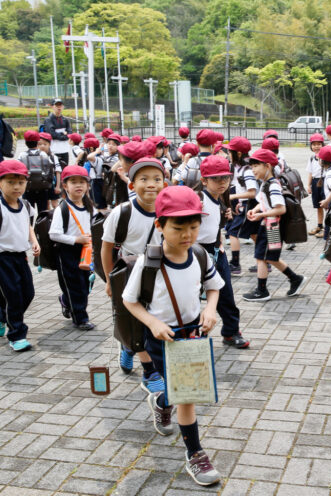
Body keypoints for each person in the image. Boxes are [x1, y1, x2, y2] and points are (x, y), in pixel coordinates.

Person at [122, 185, 224, 487]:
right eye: (178, 227)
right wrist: (152, 322)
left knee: (184, 393)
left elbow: (213, 286)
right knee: (189, 395)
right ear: (160, 226)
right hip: (161, 337)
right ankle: (195, 452)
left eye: (194, 227)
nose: (187, 235)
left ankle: (162, 402)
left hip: (193, 333)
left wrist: (211, 310)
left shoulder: (200, 255)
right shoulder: (149, 262)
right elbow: (130, 301)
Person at [101, 157, 166, 393]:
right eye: (144, 179)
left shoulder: (167, 211)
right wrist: (109, 280)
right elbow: (106, 247)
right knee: (133, 321)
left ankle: (128, 348)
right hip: (128, 273)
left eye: (157, 179)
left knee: (150, 321)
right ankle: (150, 372)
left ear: (164, 184)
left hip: (158, 274)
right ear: (131, 184)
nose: (151, 184)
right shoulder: (122, 212)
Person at [0, 159, 40, 352]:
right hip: (1, 259)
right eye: (11, 182)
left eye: (21, 182)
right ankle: (17, 335)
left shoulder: (26, 205)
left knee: (28, 293)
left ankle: (1, 314)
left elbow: (27, 224)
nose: (16, 187)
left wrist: (33, 240)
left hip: (21, 257)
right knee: (13, 297)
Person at [242, 149, 306, 302]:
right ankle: (295, 278)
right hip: (270, 225)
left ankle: (262, 291)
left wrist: (261, 215)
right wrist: (254, 210)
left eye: (256, 166)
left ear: (267, 166)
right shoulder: (266, 184)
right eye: (252, 167)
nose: (253, 170)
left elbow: (280, 208)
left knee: (261, 257)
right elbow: (262, 201)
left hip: (272, 226)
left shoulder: (273, 185)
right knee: (269, 257)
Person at [198, 155, 249, 349]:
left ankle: (231, 332)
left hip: (216, 252)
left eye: (225, 178)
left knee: (225, 293)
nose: (222, 183)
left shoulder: (220, 199)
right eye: (216, 179)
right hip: (196, 253)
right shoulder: (199, 199)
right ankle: (191, 335)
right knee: (192, 297)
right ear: (204, 180)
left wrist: (224, 218)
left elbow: (213, 226)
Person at [50, 165, 96, 331]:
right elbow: (54, 234)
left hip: (86, 252)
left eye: (82, 182)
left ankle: (66, 301)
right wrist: (76, 239)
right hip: (67, 252)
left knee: (85, 285)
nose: (79, 186)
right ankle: (80, 318)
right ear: (65, 186)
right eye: (74, 182)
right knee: (74, 286)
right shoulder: (62, 209)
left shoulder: (90, 206)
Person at [226, 137, 255, 275]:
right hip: (245, 205)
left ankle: (235, 264)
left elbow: (252, 193)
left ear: (238, 153)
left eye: (230, 152)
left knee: (232, 232)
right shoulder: (241, 168)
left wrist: (234, 197)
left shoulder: (247, 170)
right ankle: (266, 261)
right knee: (254, 233)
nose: (228, 155)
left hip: (250, 205)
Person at [306, 133, 326, 238]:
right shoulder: (311, 158)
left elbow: (324, 167)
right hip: (315, 182)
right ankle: (319, 225)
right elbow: (310, 172)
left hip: (324, 182)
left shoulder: (325, 157)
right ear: (311, 146)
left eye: (319, 144)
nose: (316, 146)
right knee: (318, 206)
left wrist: (321, 158)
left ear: (323, 145)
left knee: (326, 205)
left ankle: (328, 228)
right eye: (314, 144)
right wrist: (308, 185)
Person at [44, 99, 73, 168]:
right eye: (57, 105)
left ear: (63, 107)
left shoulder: (65, 120)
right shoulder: (48, 119)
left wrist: (64, 135)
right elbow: (51, 134)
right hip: (54, 149)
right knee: (56, 169)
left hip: (65, 149)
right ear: (53, 107)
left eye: (60, 105)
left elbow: (70, 133)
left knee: (65, 168)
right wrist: (64, 135)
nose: (59, 107)